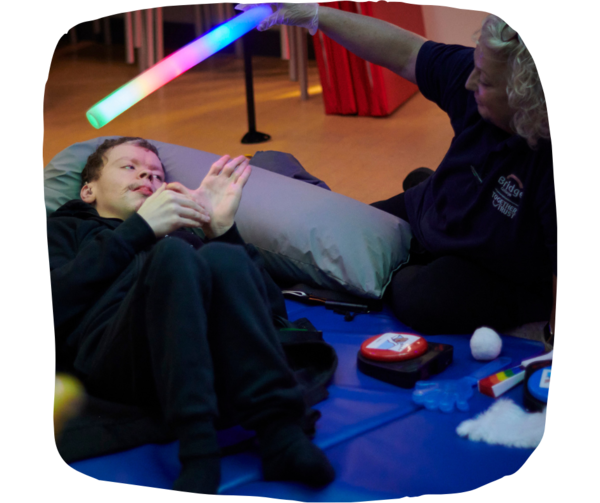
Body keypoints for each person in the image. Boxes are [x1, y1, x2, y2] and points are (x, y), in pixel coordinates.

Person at [236, 3, 557, 342]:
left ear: (526, 99)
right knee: (341, 244)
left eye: (486, 81)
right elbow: (406, 53)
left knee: (416, 299)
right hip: (439, 206)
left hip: (497, 269)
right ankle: (426, 188)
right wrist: (316, 15)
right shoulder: (474, 81)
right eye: (476, 67)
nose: (470, 81)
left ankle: (423, 211)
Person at [47, 137, 335, 495]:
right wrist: (138, 230)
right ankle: (199, 452)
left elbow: (273, 317)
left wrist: (222, 230)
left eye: (155, 175)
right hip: (117, 356)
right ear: (88, 191)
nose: (146, 177)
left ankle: (281, 435)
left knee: (225, 258)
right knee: (172, 256)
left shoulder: (186, 236)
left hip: (208, 354)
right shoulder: (63, 230)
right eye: (129, 167)